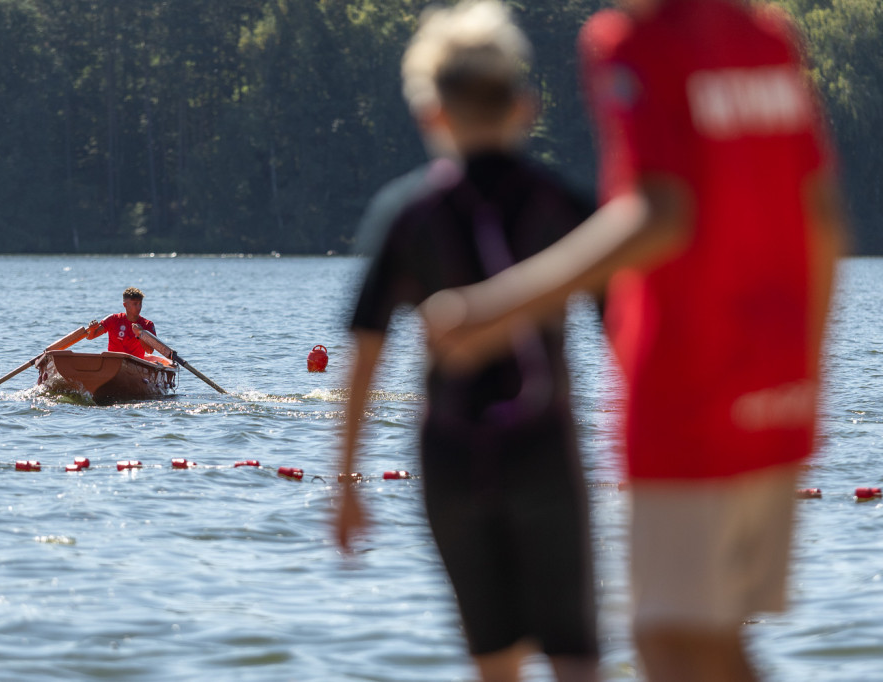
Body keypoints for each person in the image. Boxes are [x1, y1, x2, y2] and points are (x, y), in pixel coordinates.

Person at [420, 0, 847, 680]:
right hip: (779, 389)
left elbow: (660, 214)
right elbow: (822, 218)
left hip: (690, 395)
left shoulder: (635, 42)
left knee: (669, 641)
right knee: (708, 642)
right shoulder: (767, 36)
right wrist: (806, 381)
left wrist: (493, 308)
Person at [334, 3, 599, 681]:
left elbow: (366, 353)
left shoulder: (407, 214)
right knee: (572, 654)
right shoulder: (563, 207)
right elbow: (626, 336)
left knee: (493, 660)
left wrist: (346, 485)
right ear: (525, 107)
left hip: (449, 454)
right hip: (543, 444)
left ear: (432, 115)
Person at [86, 287, 158, 359]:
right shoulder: (113, 319)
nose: (139, 307)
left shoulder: (147, 324)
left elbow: (150, 351)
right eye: (135, 304)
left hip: (135, 365)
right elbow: (90, 337)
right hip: (113, 362)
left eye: (140, 303)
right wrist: (92, 329)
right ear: (125, 305)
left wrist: (140, 334)